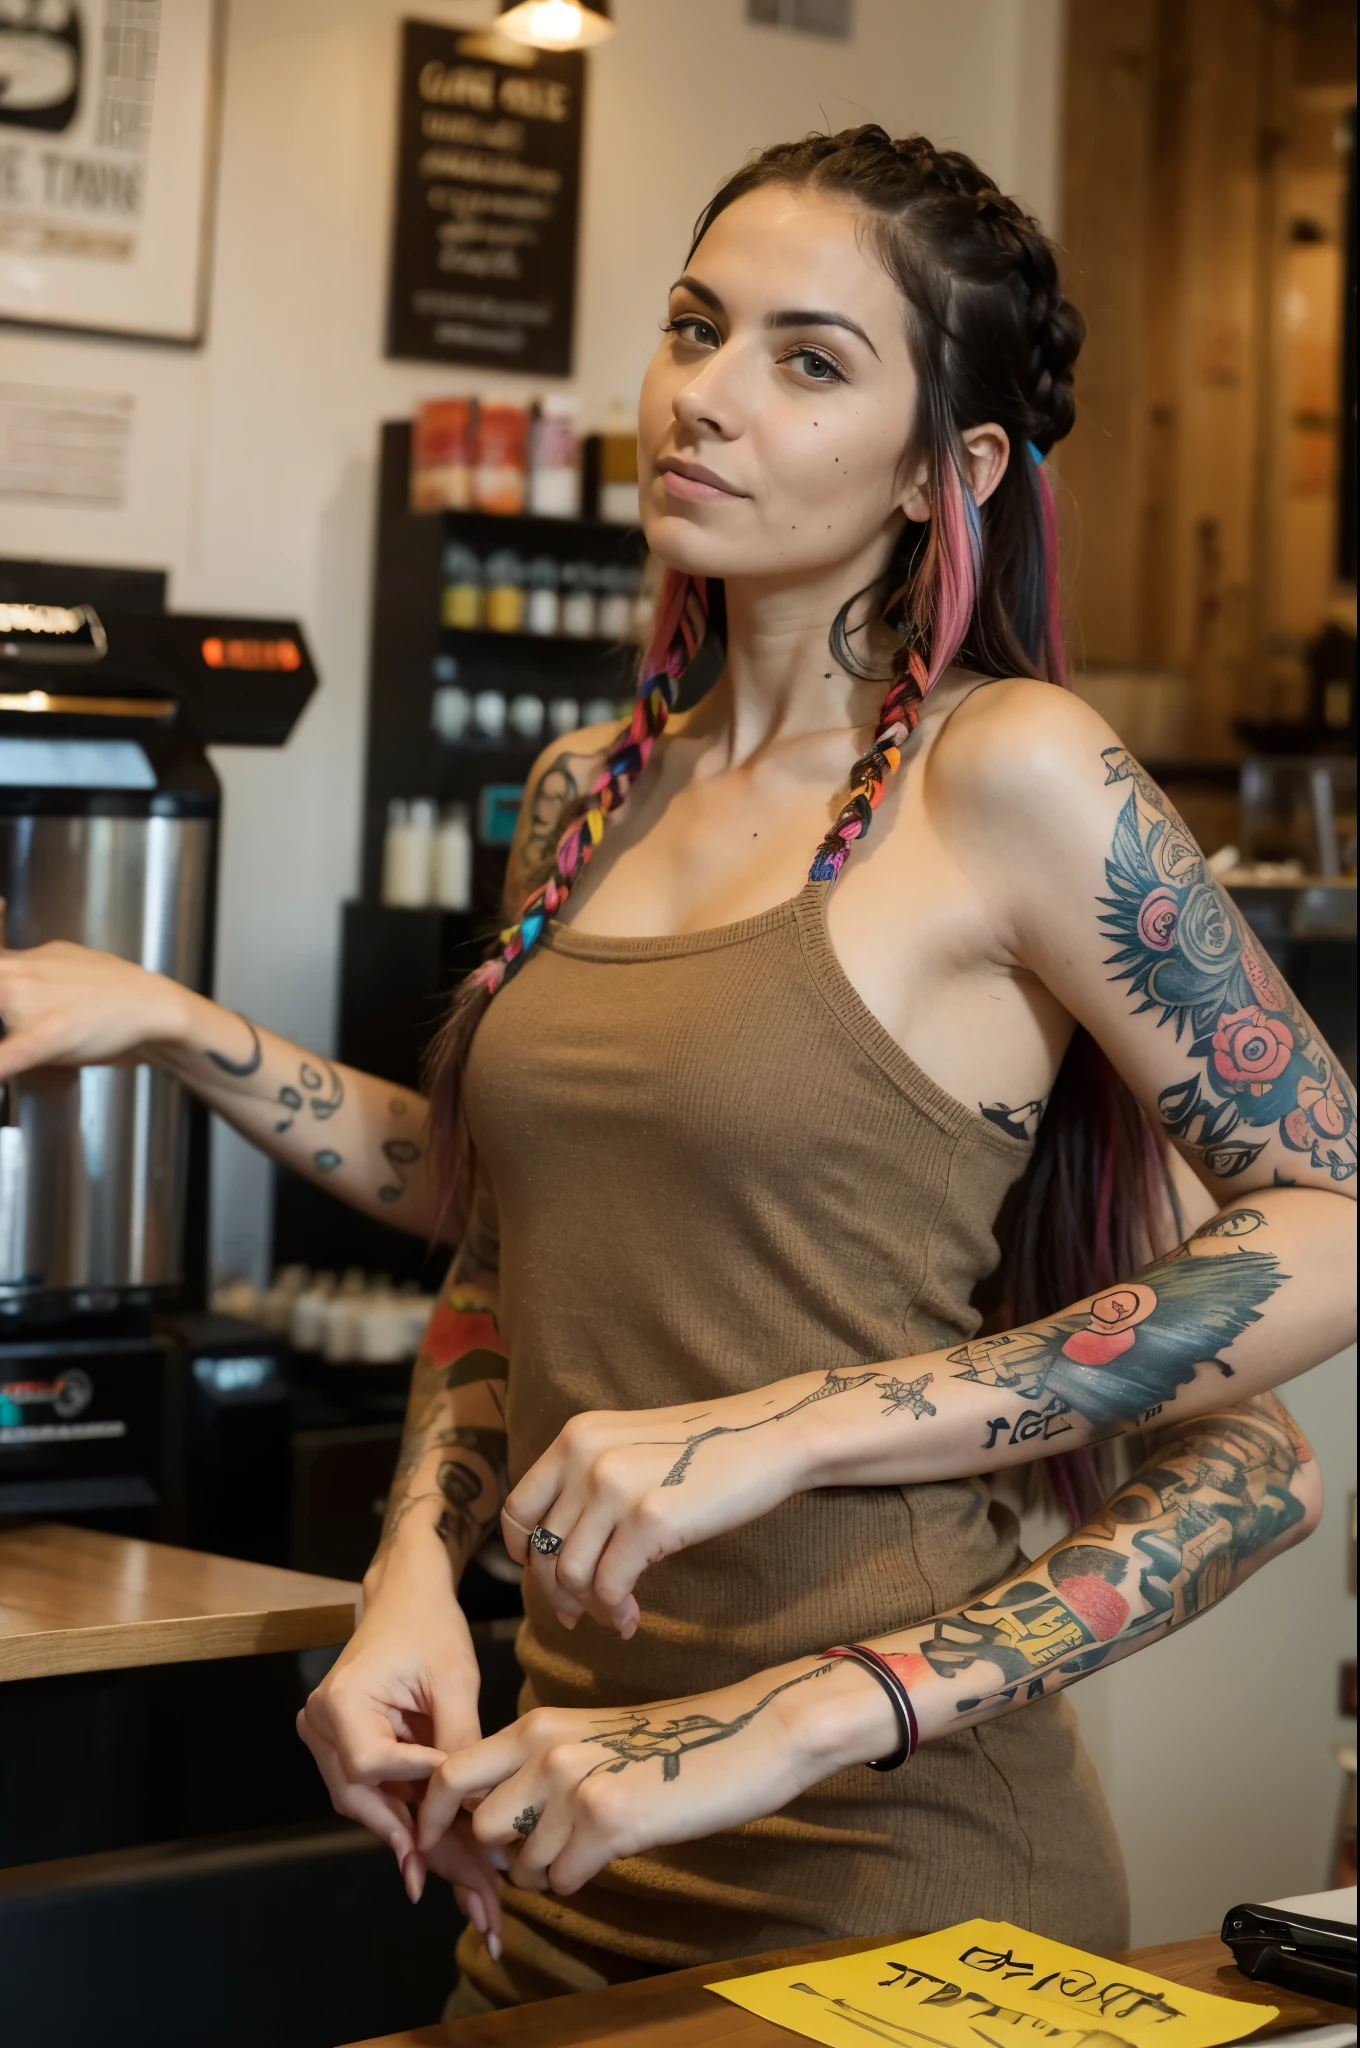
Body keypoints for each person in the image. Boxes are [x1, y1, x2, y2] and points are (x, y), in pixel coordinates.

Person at [0, 129, 1352, 2018]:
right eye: (695, 327)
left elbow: (1333, 1220)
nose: (703, 396)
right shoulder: (586, 791)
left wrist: (796, 1442)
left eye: (809, 360)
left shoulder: (1015, 774)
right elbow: (508, 1244)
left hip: (886, 1845)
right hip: (558, 1825)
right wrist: (415, 1575)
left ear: (947, 469)